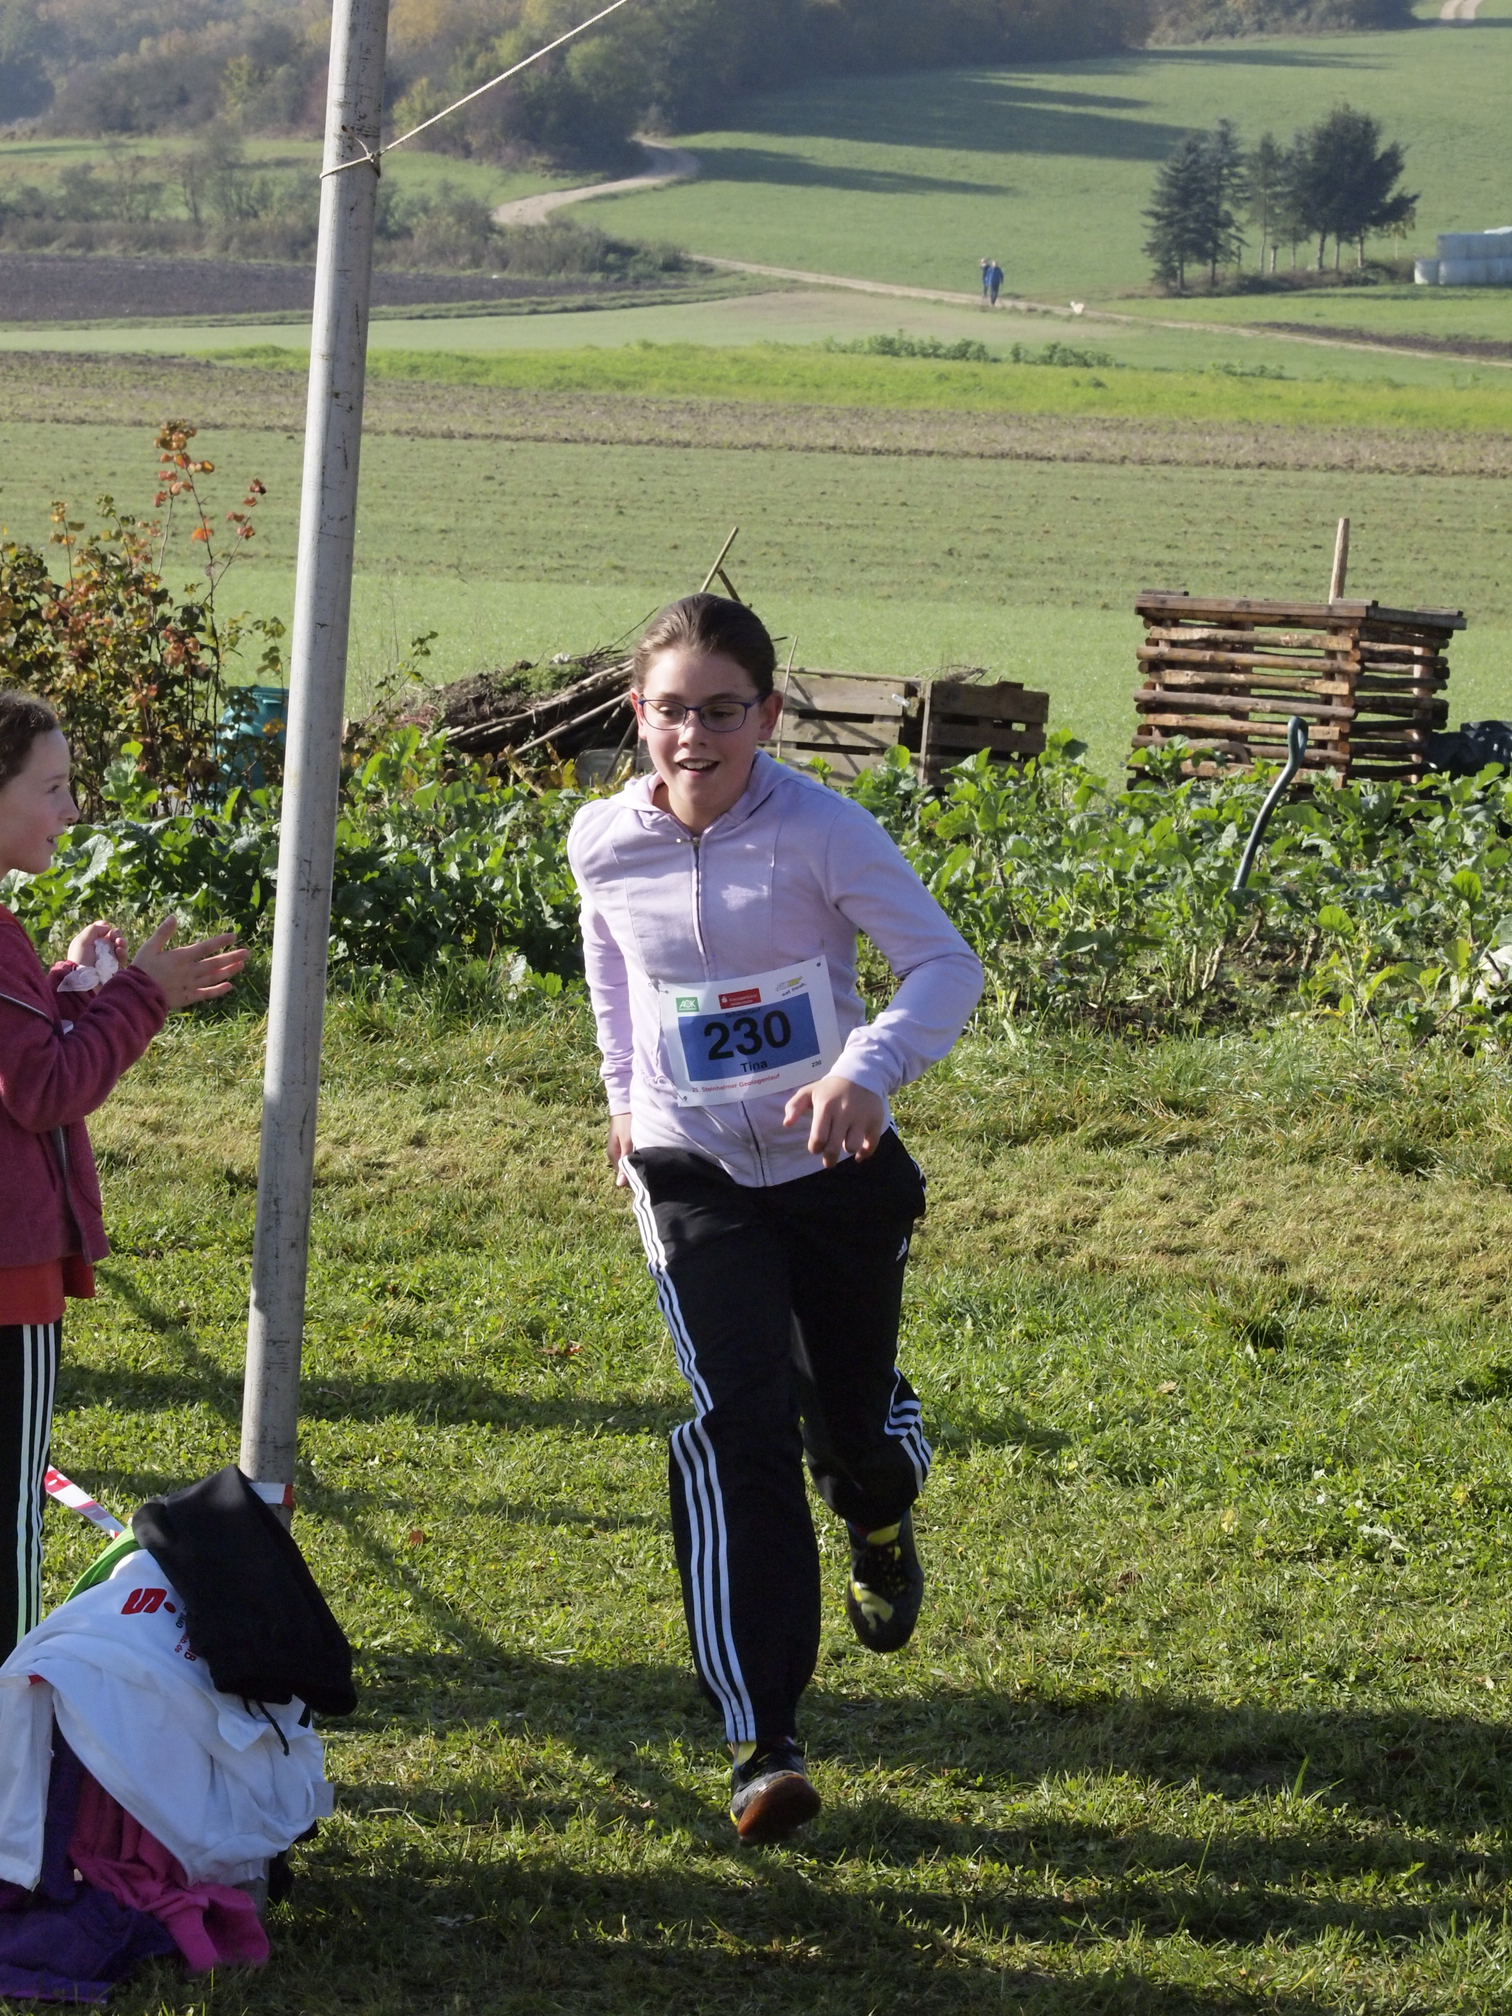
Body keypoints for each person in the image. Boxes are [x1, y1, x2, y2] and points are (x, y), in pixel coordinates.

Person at [567, 596, 982, 1845]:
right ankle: (763, 1740)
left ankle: (879, 1503)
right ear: (637, 713)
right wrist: (626, 1106)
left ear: (769, 715)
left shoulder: (823, 831)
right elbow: (612, 972)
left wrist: (867, 1070)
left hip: (834, 1166)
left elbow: (945, 966)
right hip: (691, 1172)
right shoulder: (603, 838)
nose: (693, 736)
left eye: (722, 711)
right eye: (670, 711)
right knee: (736, 1422)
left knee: (846, 1426)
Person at [0, 691, 246, 1652]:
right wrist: (143, 994)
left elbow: (21, 1045)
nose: (72, 810)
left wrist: (76, 989)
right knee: (12, 1511)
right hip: (10, 1277)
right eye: (52, 788)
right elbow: (44, 1088)